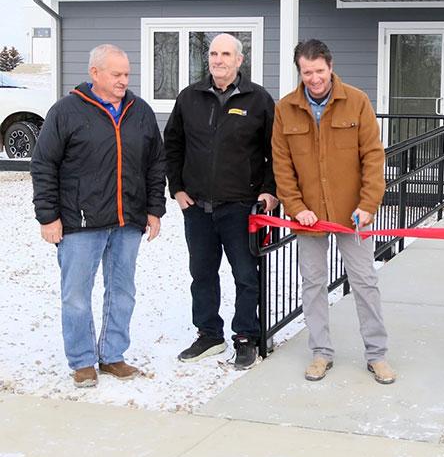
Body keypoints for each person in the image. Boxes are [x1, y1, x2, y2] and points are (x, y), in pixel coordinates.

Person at [30, 44, 166, 388]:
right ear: (95, 73)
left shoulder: (140, 112)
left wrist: (154, 210)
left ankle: (112, 355)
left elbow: (155, 164)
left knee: (122, 293)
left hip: (127, 221)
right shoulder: (66, 112)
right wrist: (48, 217)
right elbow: (44, 164)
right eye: (116, 74)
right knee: (76, 294)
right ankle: (82, 362)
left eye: (127, 74)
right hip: (80, 223)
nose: (124, 80)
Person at [272, 39, 395, 384]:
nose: (314, 79)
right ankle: (320, 352)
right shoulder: (285, 109)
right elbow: (282, 167)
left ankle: (377, 354)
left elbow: (373, 156)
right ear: (299, 70)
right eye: (307, 72)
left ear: (330, 66)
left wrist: (368, 204)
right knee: (313, 284)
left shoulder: (356, 101)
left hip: (353, 216)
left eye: (319, 71)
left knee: (365, 282)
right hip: (308, 217)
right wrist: (296, 208)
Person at [164, 33, 278, 370]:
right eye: (213, 53)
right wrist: (178, 188)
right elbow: (172, 145)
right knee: (202, 273)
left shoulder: (258, 100)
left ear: (240, 60)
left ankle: (246, 336)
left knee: (245, 274)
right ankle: (209, 334)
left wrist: (271, 191)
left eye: (226, 54)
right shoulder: (190, 97)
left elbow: (277, 152)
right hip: (197, 208)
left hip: (241, 207)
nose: (218, 60)